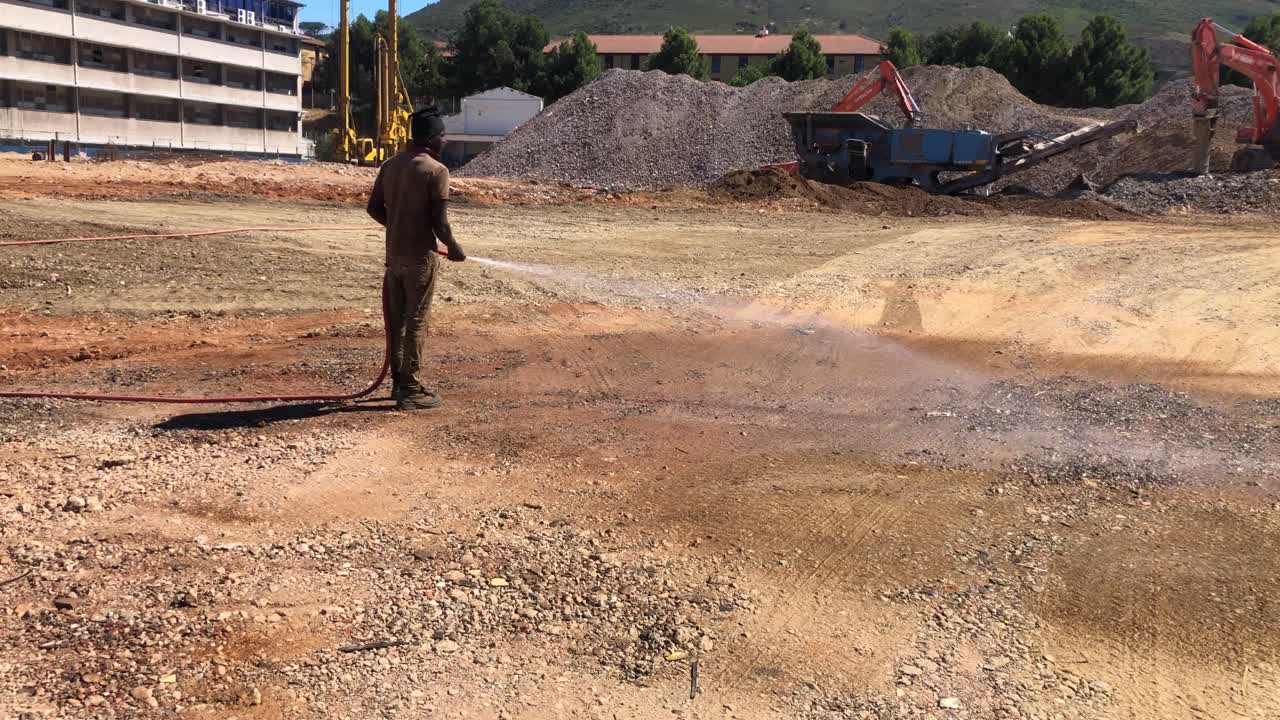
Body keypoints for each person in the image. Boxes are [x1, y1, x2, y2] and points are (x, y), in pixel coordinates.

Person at [366, 107, 466, 410]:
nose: (445, 142)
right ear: (433, 139)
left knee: (396, 323)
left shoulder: (391, 166)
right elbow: (440, 224)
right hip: (421, 259)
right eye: (443, 136)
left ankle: (398, 382)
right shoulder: (436, 171)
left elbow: (373, 208)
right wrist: (455, 247)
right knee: (417, 321)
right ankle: (410, 390)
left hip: (393, 258)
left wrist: (398, 225)